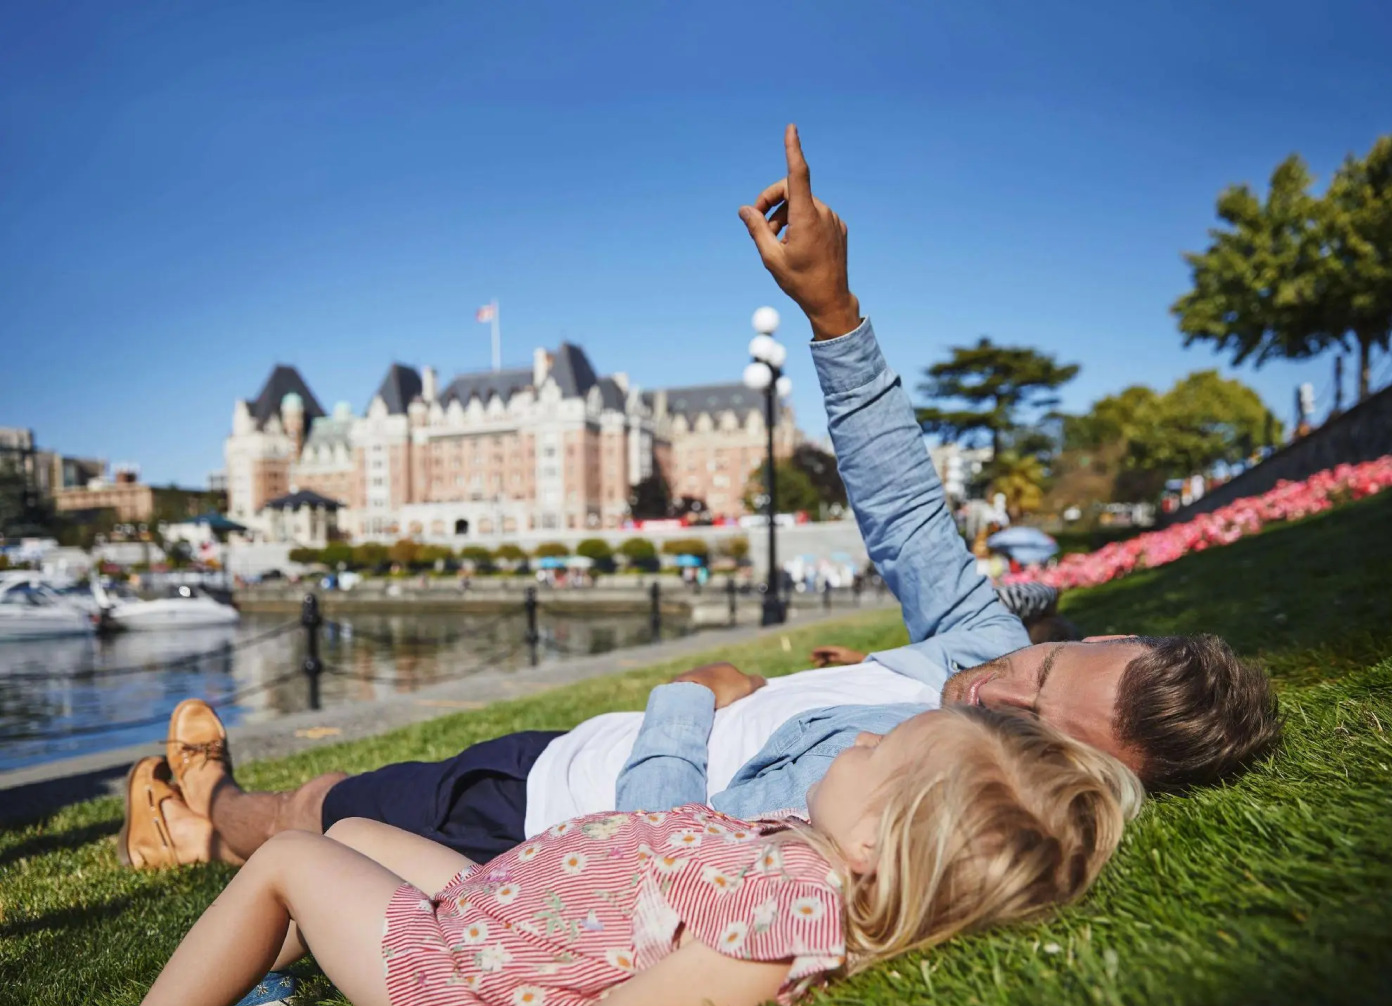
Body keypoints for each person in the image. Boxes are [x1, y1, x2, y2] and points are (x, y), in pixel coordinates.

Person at [118, 123, 1278, 875]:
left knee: (330, 813)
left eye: (1028, 713)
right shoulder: (978, 649)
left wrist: (699, 697)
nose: (998, 682)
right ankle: (222, 816)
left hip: (557, 822)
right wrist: (835, 312)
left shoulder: (943, 785)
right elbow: (907, 507)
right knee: (344, 797)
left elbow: (689, 848)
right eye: (1042, 662)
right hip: (585, 748)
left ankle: (203, 817)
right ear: (1100, 633)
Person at [55, 688, 1141, 1006]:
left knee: (290, 861)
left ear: (876, 849)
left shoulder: (775, 923)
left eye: (874, 755)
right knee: (366, 832)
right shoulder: (810, 864)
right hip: (491, 906)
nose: (852, 744)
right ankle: (251, 974)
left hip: (461, 972)